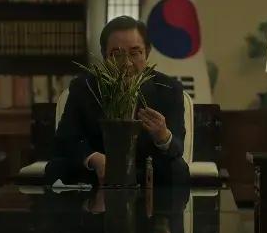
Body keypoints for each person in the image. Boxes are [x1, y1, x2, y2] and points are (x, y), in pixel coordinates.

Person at [46, 16, 189, 187]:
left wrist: (163, 136)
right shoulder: (84, 87)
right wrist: (94, 159)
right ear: (104, 56)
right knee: (55, 167)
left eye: (135, 53)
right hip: (96, 175)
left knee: (178, 168)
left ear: (147, 52)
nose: (126, 63)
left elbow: (177, 147)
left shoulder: (169, 89)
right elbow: (65, 140)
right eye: (117, 54)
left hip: (146, 174)